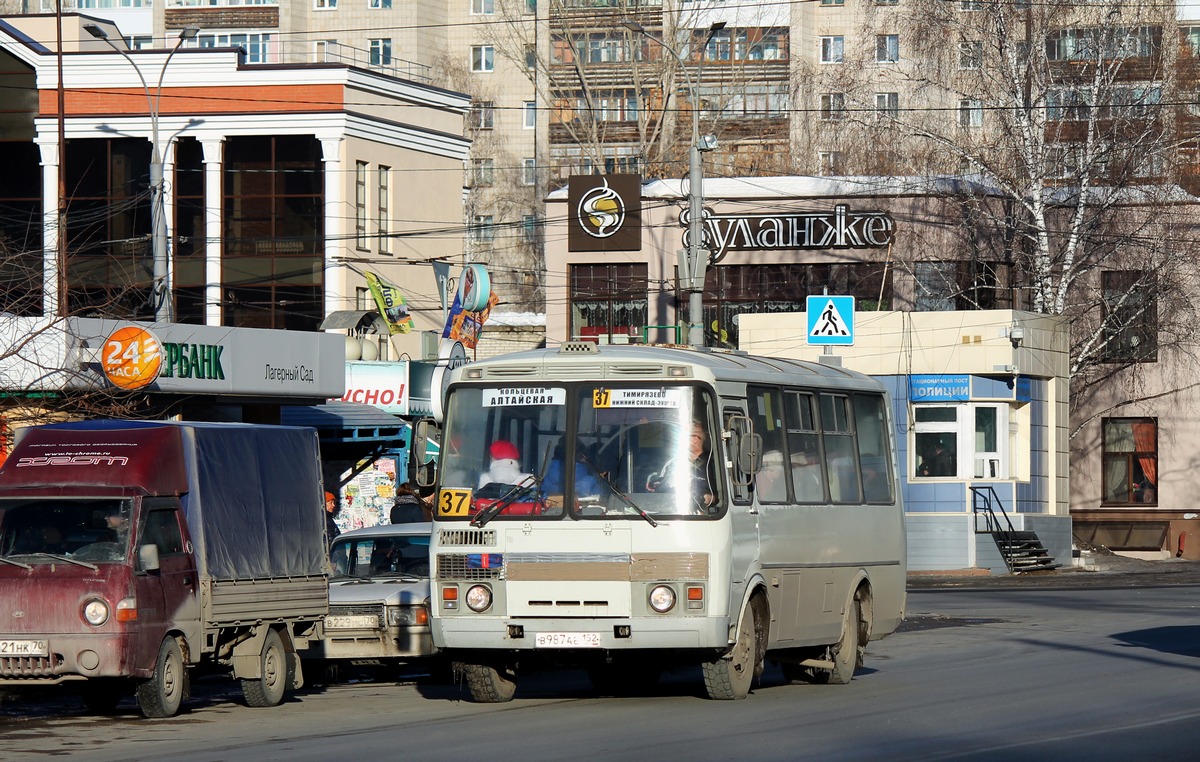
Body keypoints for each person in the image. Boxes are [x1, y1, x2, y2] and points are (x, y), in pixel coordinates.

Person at [646, 420, 716, 510]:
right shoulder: (672, 463)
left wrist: (709, 499)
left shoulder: (714, 463)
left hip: (707, 516)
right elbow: (662, 485)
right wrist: (654, 486)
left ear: (695, 439)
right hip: (675, 510)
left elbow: (724, 495)